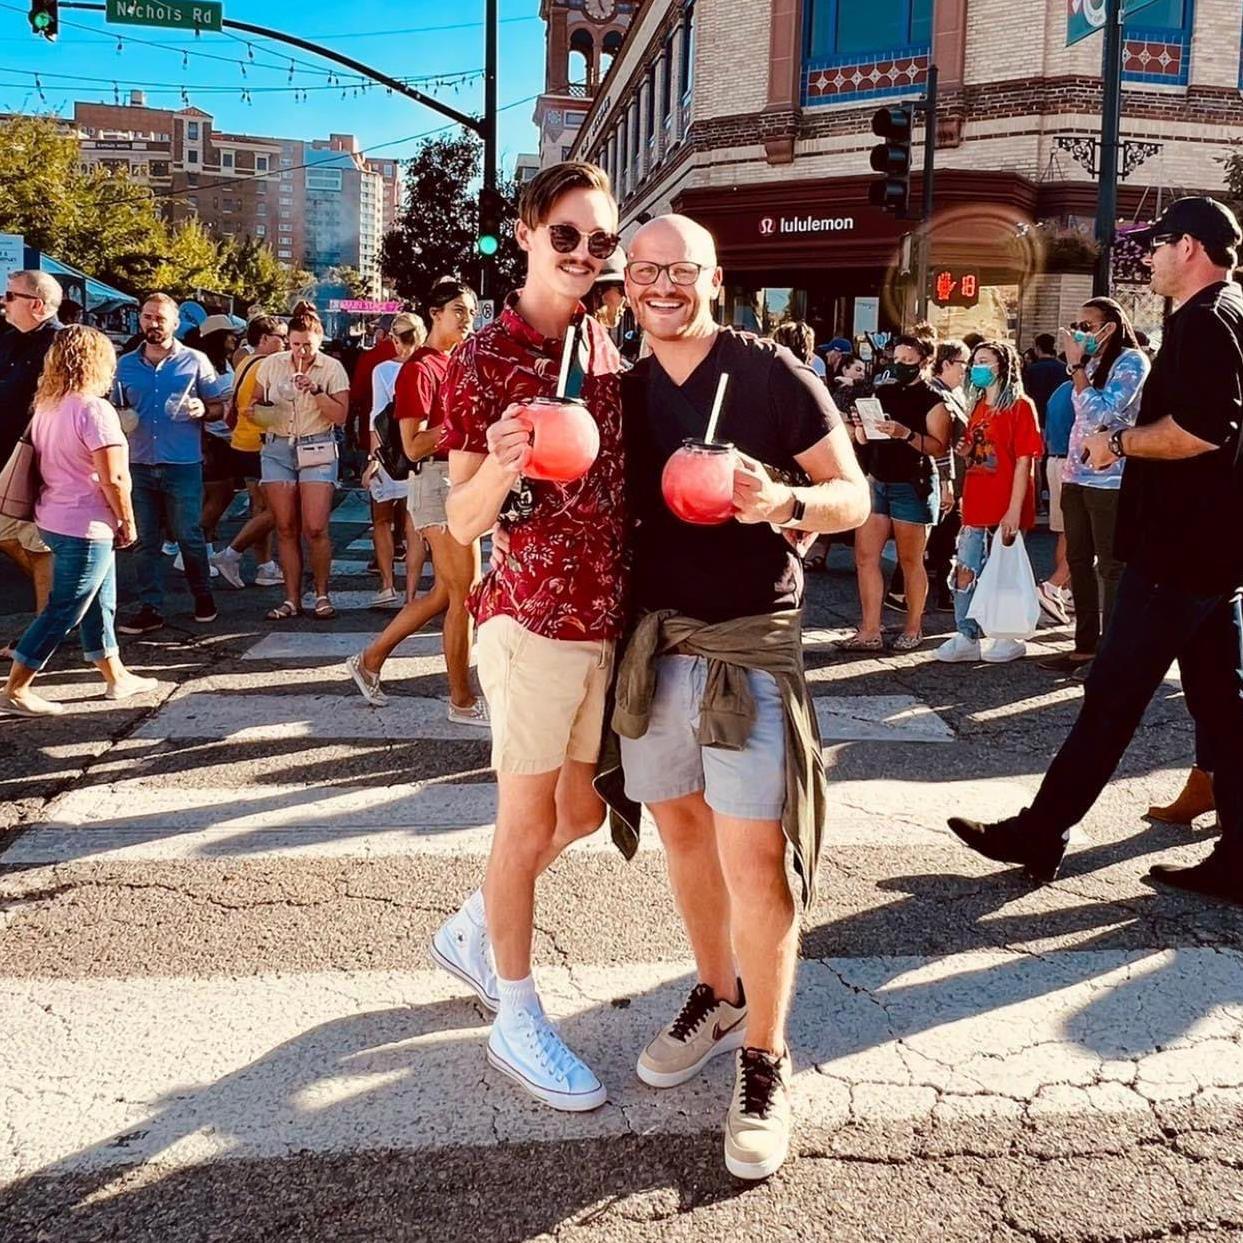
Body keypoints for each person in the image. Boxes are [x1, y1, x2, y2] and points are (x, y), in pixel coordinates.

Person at [610, 214, 868, 1180]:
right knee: (682, 835)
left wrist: (787, 503)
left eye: (680, 270)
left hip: (748, 649)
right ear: (625, 285)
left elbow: (853, 492)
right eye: (645, 272)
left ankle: (764, 1056)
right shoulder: (624, 391)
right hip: (654, 646)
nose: (662, 285)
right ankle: (715, 993)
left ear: (714, 279)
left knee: (756, 856)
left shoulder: (767, 375)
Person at [948, 195, 1243, 906]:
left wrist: (1120, 441)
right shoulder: (1228, 312)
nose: (1147, 255)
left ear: (1192, 249)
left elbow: (1205, 430)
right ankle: (1238, 859)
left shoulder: (1206, 321)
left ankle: (1041, 829)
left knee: (1112, 693)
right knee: (1222, 705)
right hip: (1213, 549)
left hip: (1179, 552)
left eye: (1158, 242)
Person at [429, 161, 627, 1117]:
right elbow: (462, 522)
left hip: (604, 615)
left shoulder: (604, 341)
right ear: (524, 234)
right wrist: (502, 466)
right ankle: (514, 1010)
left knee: (581, 814)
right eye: (567, 236)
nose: (586, 255)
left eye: (601, 241)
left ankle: (471, 924)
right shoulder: (482, 359)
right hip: (530, 614)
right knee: (522, 823)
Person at [347, 284, 490, 720]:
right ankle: (461, 701)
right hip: (437, 481)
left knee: (447, 593)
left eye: (469, 311)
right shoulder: (420, 369)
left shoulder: (452, 363)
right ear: (434, 313)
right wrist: (467, 426)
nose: (466, 319)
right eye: (457, 311)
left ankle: (370, 660)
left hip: (456, 479)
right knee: (463, 596)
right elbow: (412, 446)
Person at [1, 326, 157, 716]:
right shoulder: (94, 409)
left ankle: (115, 676)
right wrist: (128, 521)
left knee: (100, 600)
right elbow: (114, 477)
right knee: (66, 607)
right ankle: (17, 687)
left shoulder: (48, 406)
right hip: (86, 522)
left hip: (55, 515)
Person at [1039, 298, 1149, 675]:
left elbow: (1103, 412)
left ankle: (1112, 652)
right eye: (1077, 325)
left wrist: (1077, 368)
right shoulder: (1092, 364)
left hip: (1112, 478)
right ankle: (1084, 645)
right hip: (1076, 474)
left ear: (1110, 327)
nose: (1080, 333)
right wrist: (1082, 368)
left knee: (1112, 566)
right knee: (1078, 560)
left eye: (1088, 325)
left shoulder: (1131, 362)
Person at [114, 293, 231, 634]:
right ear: (140, 319)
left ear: (176, 324)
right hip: (137, 462)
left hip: (182, 462)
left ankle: (203, 597)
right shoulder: (124, 365)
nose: (153, 323)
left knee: (188, 534)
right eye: (148, 316)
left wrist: (202, 410)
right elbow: (111, 407)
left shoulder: (195, 361)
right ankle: (151, 607)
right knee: (144, 540)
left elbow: (219, 407)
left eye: (160, 318)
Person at [840, 333, 950, 652]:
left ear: (924, 362)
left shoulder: (933, 400)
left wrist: (905, 433)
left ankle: (913, 627)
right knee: (865, 556)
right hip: (878, 477)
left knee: (910, 560)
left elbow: (937, 446)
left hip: (912, 482)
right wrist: (861, 424)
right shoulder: (882, 392)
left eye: (907, 360)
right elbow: (864, 440)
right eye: (896, 359)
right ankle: (870, 629)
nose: (899, 366)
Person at [935, 341, 1043, 664]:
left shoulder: (1021, 407)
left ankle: (1006, 636)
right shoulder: (978, 406)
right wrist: (965, 453)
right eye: (975, 361)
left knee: (1003, 573)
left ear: (1002, 367)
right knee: (964, 569)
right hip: (977, 501)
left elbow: (1025, 461)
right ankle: (966, 634)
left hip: (1005, 502)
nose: (976, 367)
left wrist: (1014, 508)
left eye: (984, 361)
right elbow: (975, 452)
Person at [254, 304, 351, 621]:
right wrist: (262, 410)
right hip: (278, 445)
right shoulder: (272, 365)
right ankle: (291, 599)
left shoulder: (332, 369)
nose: (301, 351)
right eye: (295, 344)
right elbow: (254, 405)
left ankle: (322, 594)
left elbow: (340, 416)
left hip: (317, 444)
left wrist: (316, 391)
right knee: (284, 526)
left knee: (315, 526)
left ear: (319, 340)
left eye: (307, 344)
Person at [0, 270, 63, 641]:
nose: (4, 302)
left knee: (38, 546)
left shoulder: (62, 344)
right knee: (11, 537)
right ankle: (62, 605)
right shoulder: (8, 340)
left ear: (36, 304)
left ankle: (46, 628)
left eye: (10, 296)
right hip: (5, 458)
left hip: (38, 463)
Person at [210, 316, 287, 589]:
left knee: (261, 507)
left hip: (243, 441)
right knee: (280, 509)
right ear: (264, 339)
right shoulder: (268, 365)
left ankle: (265, 566)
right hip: (261, 442)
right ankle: (231, 553)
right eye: (280, 336)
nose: (285, 342)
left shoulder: (245, 361)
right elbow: (273, 405)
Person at [359, 310, 426, 609]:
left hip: (387, 453)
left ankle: (387, 585)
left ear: (396, 341)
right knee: (413, 525)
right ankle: (412, 592)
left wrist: (373, 458)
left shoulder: (383, 371)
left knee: (382, 520)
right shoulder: (430, 367)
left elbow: (377, 417)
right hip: (420, 451)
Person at [924, 339, 970, 612]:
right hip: (942, 479)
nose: (967, 370)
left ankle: (940, 588)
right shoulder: (937, 394)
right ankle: (943, 590)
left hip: (954, 478)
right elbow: (939, 444)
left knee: (944, 535)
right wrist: (946, 483)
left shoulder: (956, 393)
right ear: (946, 364)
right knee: (943, 536)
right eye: (963, 363)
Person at [195, 314, 241, 574]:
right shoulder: (205, 367)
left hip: (226, 437)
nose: (233, 338)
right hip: (211, 439)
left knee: (219, 497)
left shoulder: (226, 364)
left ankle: (206, 548)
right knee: (217, 496)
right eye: (228, 334)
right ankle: (194, 547)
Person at [1035, 380, 1075, 627]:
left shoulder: (1060, 389)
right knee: (1085, 536)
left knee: (1065, 533)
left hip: (1055, 461)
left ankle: (1066, 592)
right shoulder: (1088, 389)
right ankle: (1054, 586)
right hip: (1077, 465)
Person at [1024, 332, 1065, 430]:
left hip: (1037, 417)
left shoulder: (1032, 370)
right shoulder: (1064, 368)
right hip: (1059, 418)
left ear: (1037, 348)